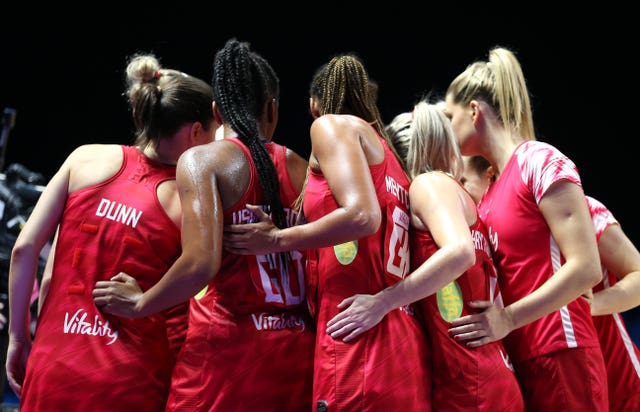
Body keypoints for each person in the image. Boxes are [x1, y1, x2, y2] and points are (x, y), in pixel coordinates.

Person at [92, 38, 314, 411]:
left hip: (226, 356)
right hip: (295, 355)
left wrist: (140, 303)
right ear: (273, 109)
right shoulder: (301, 167)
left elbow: (199, 264)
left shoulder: (203, 161)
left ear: (217, 111)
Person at [6, 53, 217, 411]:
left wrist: (18, 338)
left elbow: (26, 251)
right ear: (197, 131)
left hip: (52, 368)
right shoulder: (190, 199)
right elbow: (201, 269)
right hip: (129, 383)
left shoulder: (83, 159)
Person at [224, 54, 431, 410]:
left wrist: (275, 239)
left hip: (353, 332)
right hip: (399, 339)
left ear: (313, 105)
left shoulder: (330, 126)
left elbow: (363, 217)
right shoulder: (392, 160)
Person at [326, 101, 524, 411]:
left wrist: (382, 301)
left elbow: (460, 252)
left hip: (469, 382)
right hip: (485, 373)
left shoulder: (430, 185)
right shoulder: (464, 199)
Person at [444, 46, 608, 410]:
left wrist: (507, 318)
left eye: (448, 116)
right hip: (522, 358)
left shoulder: (539, 160)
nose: (446, 128)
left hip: (562, 351)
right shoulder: (488, 193)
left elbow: (586, 268)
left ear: (473, 112)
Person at [462, 156, 640, 412]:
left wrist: (591, 304)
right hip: (559, 375)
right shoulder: (498, 238)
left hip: (619, 379)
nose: (461, 191)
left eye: (464, 180)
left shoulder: (582, 209)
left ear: (490, 175)